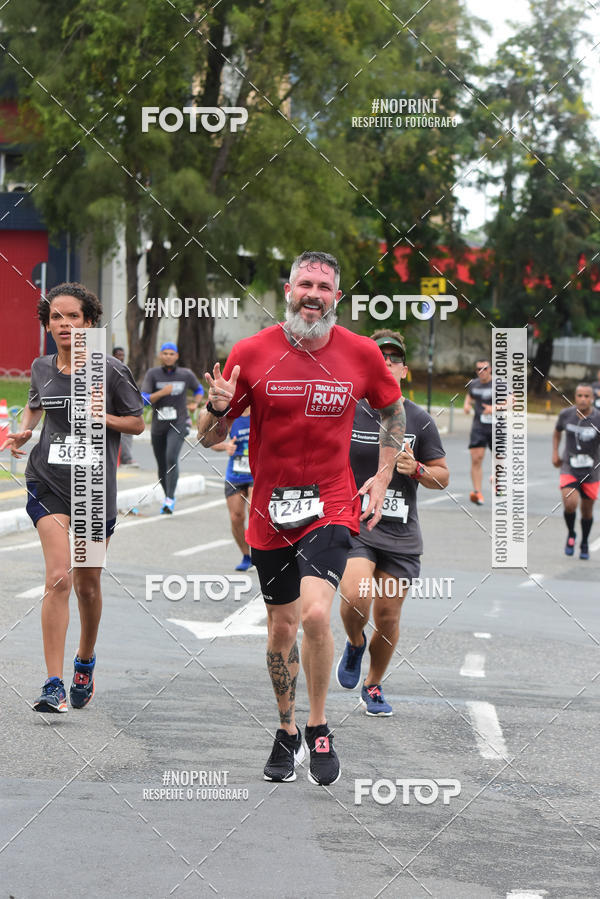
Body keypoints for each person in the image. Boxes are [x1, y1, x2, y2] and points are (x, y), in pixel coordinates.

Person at [198, 250, 405, 786]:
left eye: (324, 286)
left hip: (331, 503)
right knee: (280, 628)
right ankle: (286, 728)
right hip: (270, 511)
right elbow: (210, 437)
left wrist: (381, 476)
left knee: (315, 616)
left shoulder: (359, 353)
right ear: (287, 291)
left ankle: (318, 726)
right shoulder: (252, 351)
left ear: (337, 296)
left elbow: (393, 409)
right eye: (305, 284)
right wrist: (216, 409)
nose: (313, 294)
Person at [1, 282, 144, 712]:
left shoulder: (110, 372)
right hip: (47, 481)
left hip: (94, 489)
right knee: (58, 576)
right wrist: (24, 429)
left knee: (87, 584)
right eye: (56, 317)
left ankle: (84, 660)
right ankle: (52, 683)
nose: (64, 324)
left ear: (90, 322)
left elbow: (137, 423)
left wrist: (104, 416)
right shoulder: (41, 367)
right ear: (47, 325)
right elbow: (34, 406)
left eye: (73, 317)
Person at [336, 330, 449, 715]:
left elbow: (442, 476)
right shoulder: (348, 409)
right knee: (355, 595)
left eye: (394, 359)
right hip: (357, 524)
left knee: (387, 616)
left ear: (404, 370)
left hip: (401, 533)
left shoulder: (418, 419)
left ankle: (374, 684)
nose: (386, 364)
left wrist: (417, 469)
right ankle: (354, 643)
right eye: (378, 357)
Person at [141, 342, 204, 514]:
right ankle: (168, 496)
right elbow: (144, 400)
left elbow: (199, 389)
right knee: (161, 465)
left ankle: (169, 499)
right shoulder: (153, 374)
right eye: (165, 353)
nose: (168, 356)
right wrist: (161, 393)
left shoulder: (185, 374)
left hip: (179, 422)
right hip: (158, 425)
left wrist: (196, 403)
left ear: (177, 356)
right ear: (160, 356)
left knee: (171, 457)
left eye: (171, 353)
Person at [552, 383, 600, 560]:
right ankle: (571, 533)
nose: (583, 399)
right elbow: (557, 432)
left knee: (587, 511)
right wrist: (555, 453)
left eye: (587, 396)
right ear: (575, 396)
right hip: (569, 467)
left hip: (591, 471)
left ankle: (585, 542)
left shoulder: (598, 418)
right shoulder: (566, 415)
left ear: (592, 398)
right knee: (569, 503)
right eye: (579, 395)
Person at [211, 407, 254, 571]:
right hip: (235, 474)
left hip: (257, 472)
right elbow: (212, 442)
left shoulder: (259, 411)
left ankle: (259, 550)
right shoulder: (231, 416)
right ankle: (246, 555)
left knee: (254, 510)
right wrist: (226, 446)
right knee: (236, 517)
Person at [464, 359, 494, 505]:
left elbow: (511, 400)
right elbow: (470, 396)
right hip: (479, 426)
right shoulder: (474, 384)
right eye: (478, 369)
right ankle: (477, 492)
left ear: (490, 369)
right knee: (476, 458)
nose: (482, 372)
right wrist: (467, 405)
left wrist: (494, 409)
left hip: (497, 427)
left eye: (485, 368)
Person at [112, 347, 138, 467]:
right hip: (111, 407)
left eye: (122, 355)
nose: (121, 357)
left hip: (123, 406)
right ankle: (123, 458)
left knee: (127, 433)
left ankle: (126, 458)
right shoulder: (110, 368)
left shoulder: (124, 369)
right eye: (118, 355)